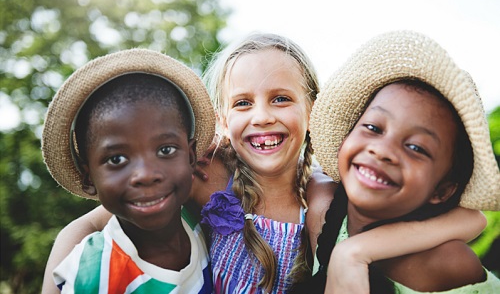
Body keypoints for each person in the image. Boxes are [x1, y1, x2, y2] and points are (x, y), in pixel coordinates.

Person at [41, 33, 486, 294]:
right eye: (242, 103)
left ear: (313, 108)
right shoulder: (203, 174)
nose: (262, 116)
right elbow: (80, 228)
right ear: (222, 118)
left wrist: (357, 250)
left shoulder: (325, 196)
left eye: (281, 99)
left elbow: (470, 221)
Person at [306, 30, 500, 293]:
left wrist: (353, 253)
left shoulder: (448, 264)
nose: (382, 150)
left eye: (415, 147)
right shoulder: (323, 202)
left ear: (442, 190)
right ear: (347, 136)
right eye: (373, 128)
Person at [41, 49, 215, 293]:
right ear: (88, 178)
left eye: (165, 150)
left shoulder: (201, 213)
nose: (145, 174)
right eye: (117, 159)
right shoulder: (92, 275)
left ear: (191, 155)